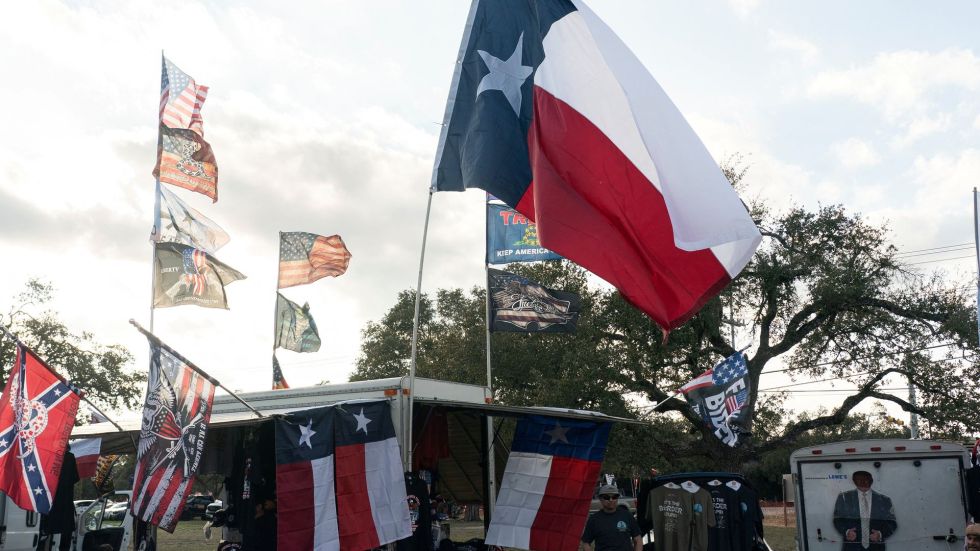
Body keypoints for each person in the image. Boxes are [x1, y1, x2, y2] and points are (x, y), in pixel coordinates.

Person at [832, 471, 896, 550]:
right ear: (854, 481)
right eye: (859, 480)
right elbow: (837, 520)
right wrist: (847, 532)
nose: (863, 482)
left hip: (876, 548)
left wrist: (880, 534)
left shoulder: (884, 500)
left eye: (866, 479)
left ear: (871, 481)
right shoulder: (844, 498)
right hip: (851, 548)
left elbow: (891, 523)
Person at [581, 484, 642, 551]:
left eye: (614, 497)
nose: (611, 500)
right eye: (606, 497)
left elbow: (638, 539)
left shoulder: (627, 515)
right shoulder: (594, 519)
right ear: (600, 499)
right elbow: (586, 543)